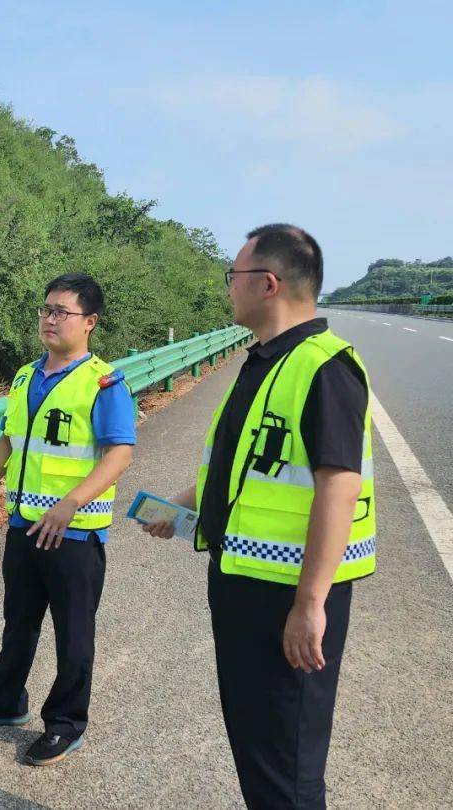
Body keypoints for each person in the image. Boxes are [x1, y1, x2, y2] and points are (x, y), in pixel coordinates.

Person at [143, 224, 375, 808]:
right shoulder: (267, 362)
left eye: (233, 277)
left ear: (267, 284)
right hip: (244, 582)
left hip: (287, 598)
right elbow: (247, 463)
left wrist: (310, 604)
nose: (228, 289)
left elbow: (338, 489)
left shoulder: (325, 368)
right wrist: (184, 506)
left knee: (287, 762)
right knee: (257, 744)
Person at [0, 272, 135, 766]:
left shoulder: (104, 383)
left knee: (74, 634)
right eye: (46, 310)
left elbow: (120, 452)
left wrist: (72, 501)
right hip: (24, 526)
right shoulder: (25, 375)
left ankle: (65, 723)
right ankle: (6, 701)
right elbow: (11, 437)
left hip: (75, 534)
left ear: (90, 322)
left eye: (62, 312)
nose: (50, 319)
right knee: (18, 622)